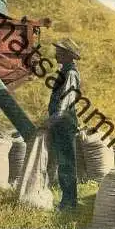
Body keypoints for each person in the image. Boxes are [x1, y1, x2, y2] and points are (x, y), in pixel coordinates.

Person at [47, 38, 81, 210]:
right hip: (60, 123)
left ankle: (69, 203)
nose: (56, 54)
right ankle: (66, 201)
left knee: (67, 164)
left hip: (64, 123)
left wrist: (51, 120)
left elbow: (66, 101)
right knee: (63, 163)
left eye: (59, 51)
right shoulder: (64, 71)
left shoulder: (71, 74)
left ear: (68, 55)